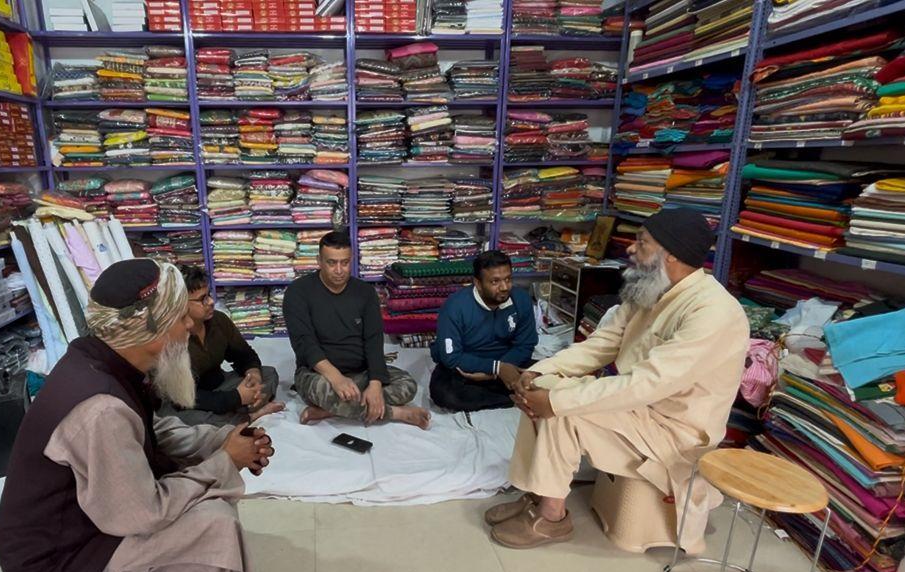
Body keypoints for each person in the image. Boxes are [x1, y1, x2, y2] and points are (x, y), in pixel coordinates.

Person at [0, 259, 275, 572]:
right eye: (180, 317)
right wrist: (225, 461)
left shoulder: (104, 362)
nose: (191, 326)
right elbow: (143, 513)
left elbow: (152, 432)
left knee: (211, 508)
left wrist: (220, 441)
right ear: (150, 328)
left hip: (87, 525)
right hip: (61, 564)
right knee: (213, 525)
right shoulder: (100, 408)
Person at [486, 207, 749, 550]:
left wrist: (556, 401)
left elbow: (647, 383)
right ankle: (537, 492)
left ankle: (552, 519)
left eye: (642, 242)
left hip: (675, 433)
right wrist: (541, 371)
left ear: (670, 254)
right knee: (541, 389)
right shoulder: (651, 289)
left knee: (563, 409)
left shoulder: (714, 312)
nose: (630, 249)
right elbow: (600, 345)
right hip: (638, 412)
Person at [283, 229, 431, 429]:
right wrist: (336, 378)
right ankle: (396, 413)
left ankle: (330, 410)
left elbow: (373, 340)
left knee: (407, 386)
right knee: (323, 390)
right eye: (331, 263)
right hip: (320, 374)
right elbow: (304, 344)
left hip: (361, 371)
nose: (339, 270)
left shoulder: (365, 292)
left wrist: (375, 383)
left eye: (344, 263)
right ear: (319, 261)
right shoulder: (298, 292)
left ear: (351, 260)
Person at [159, 265, 284, 426]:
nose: (211, 302)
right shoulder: (170, 335)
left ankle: (237, 415)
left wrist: (253, 376)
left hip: (220, 384)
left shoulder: (218, 320)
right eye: (202, 299)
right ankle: (247, 416)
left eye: (209, 295)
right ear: (180, 304)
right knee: (186, 421)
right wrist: (236, 397)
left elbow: (244, 355)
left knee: (268, 374)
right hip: (188, 400)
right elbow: (181, 397)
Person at [429, 251, 537, 412]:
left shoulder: (521, 299)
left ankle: (506, 394)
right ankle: (511, 398)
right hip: (467, 369)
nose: (504, 287)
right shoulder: (455, 306)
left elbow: (526, 344)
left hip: (509, 362)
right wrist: (496, 368)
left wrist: (502, 369)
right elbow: (452, 357)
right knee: (445, 394)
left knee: (551, 374)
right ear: (478, 283)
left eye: (508, 279)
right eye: (495, 281)